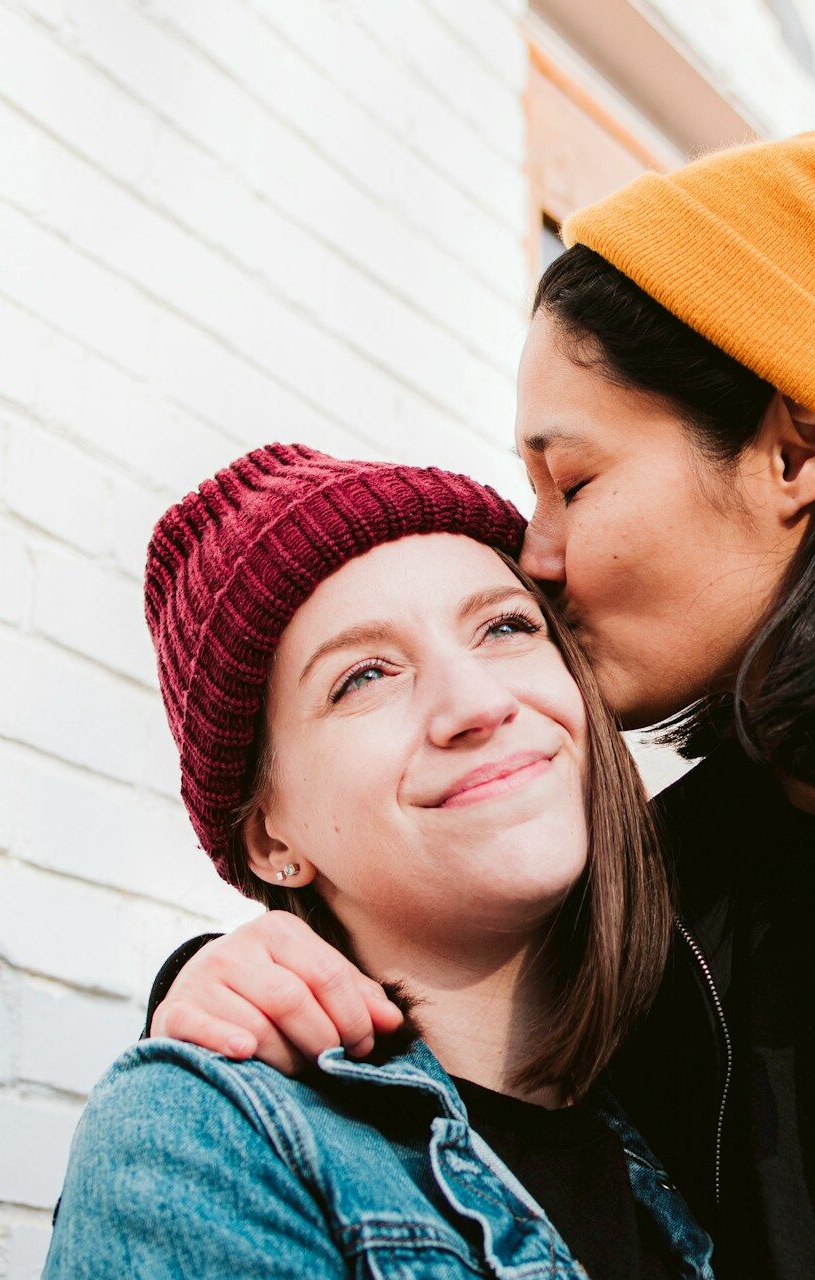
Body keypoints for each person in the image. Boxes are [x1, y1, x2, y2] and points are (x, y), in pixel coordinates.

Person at [144, 134, 815, 1280]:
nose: (538, 555)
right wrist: (217, 984)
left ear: (800, 446)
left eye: (574, 482)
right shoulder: (667, 915)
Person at [44, 444, 714, 1278]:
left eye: (506, 626)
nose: (475, 703)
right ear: (270, 840)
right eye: (364, 676)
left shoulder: (714, 1080)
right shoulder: (208, 1138)